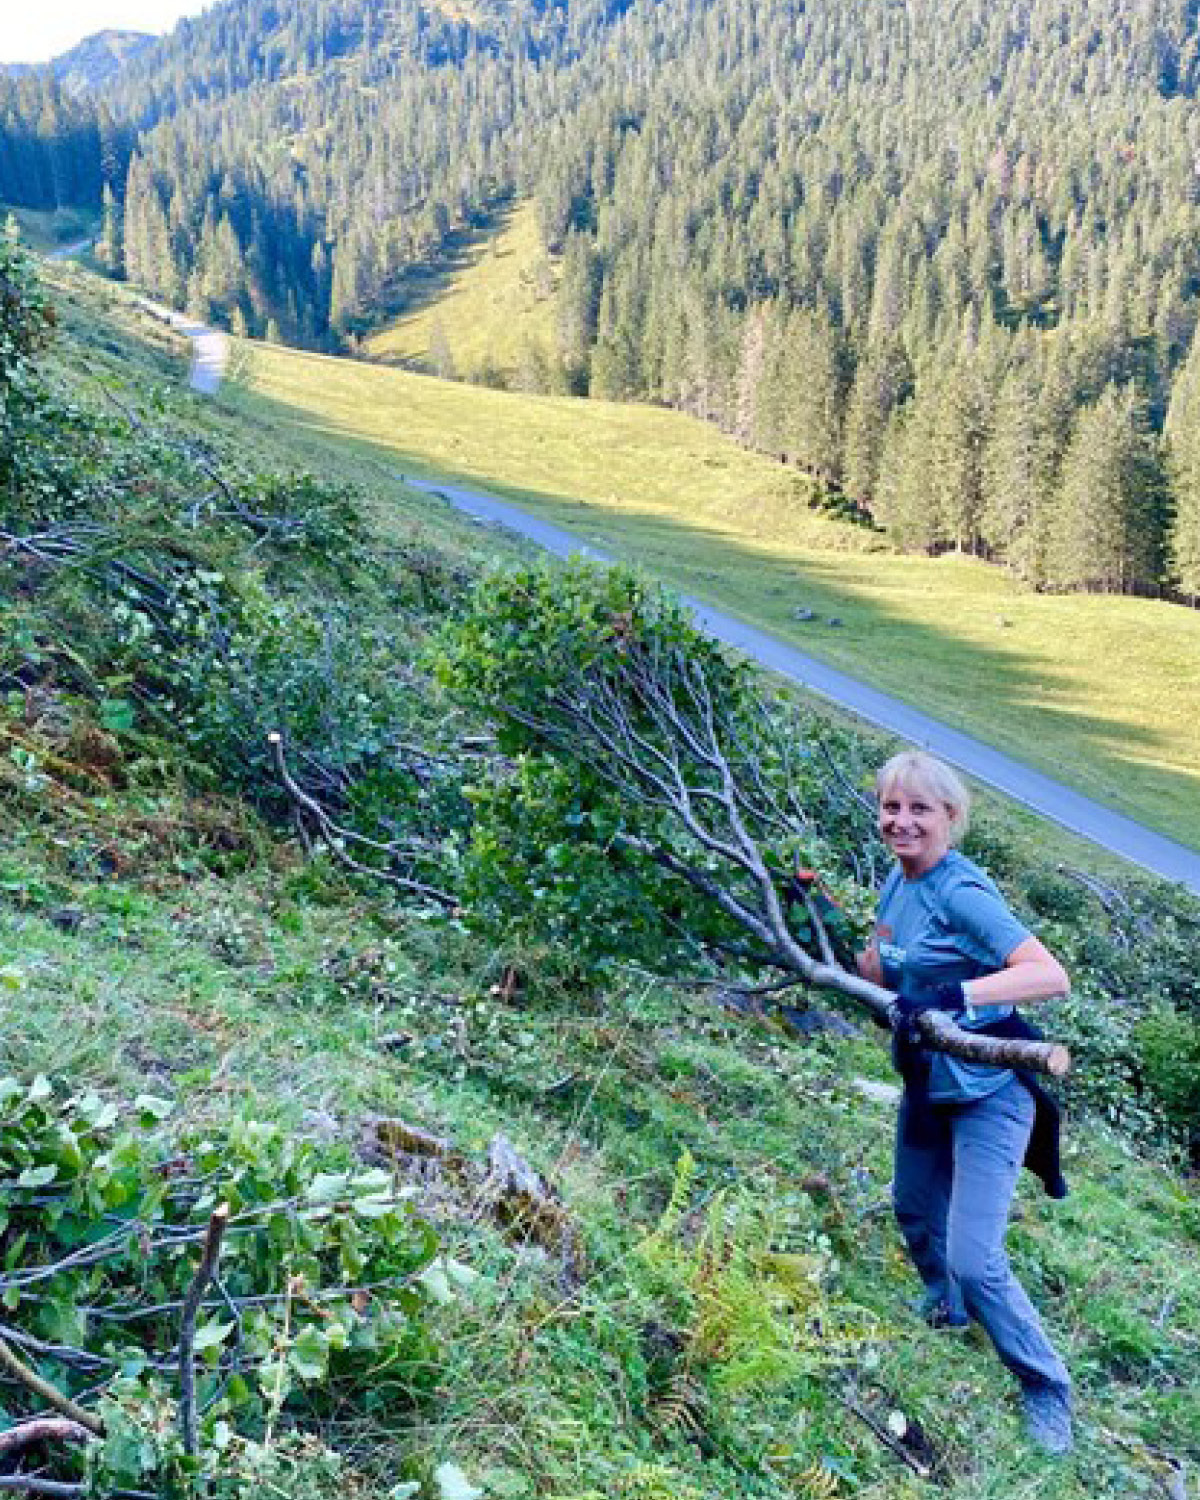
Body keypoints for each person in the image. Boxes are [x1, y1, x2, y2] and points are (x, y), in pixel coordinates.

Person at [857, 750, 1074, 1456]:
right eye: (892, 806)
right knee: (915, 1208)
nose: (901, 820)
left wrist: (959, 997)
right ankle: (943, 1306)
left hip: (989, 1093)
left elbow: (1048, 975)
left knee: (977, 1257)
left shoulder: (961, 892)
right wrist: (831, 937)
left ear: (950, 818)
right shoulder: (898, 880)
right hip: (930, 1081)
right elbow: (885, 960)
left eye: (920, 808)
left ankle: (1046, 1385)